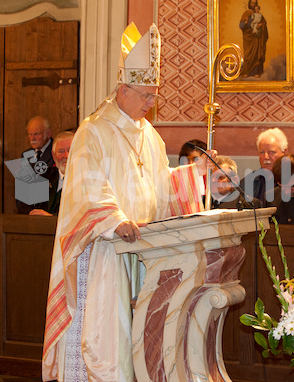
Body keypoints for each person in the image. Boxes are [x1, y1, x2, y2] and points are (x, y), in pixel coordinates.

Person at [42, 23, 211, 382]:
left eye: (154, 96)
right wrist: (113, 218)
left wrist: (190, 178)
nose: (152, 103)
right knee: (109, 333)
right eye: (146, 96)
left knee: (141, 333)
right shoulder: (94, 129)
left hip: (146, 249)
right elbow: (87, 184)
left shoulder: (149, 133)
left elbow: (159, 181)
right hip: (109, 248)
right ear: (123, 90)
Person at [29, 131, 75, 217]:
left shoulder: (86, 181)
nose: (66, 156)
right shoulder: (43, 177)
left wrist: (50, 218)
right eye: (61, 151)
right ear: (53, 156)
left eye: (70, 150)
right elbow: (28, 208)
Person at [17, 116, 55, 214]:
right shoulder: (26, 155)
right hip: (29, 213)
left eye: (36, 134)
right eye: (30, 134)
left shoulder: (57, 151)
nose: (32, 138)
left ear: (48, 133)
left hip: (48, 212)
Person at [240, 127, 288, 204]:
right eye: (262, 152)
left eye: (271, 152)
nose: (266, 157)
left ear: (284, 152)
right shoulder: (247, 183)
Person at [239, 0, 269, 78]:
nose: (254, 4)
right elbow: (241, 25)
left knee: (257, 55)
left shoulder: (260, 15)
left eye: (255, 3)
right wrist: (245, 23)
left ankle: (256, 72)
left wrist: (261, 26)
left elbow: (264, 24)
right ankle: (247, 72)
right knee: (248, 55)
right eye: (252, 3)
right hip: (248, 38)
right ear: (249, 4)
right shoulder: (246, 14)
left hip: (257, 37)